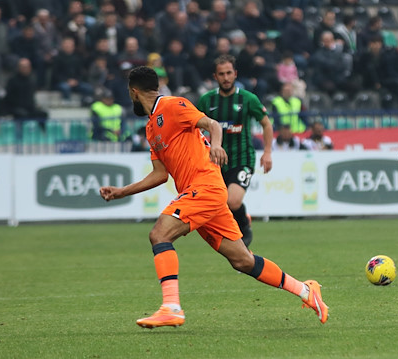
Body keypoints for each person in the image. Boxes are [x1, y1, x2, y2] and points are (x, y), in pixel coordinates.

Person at [98, 66, 328, 328]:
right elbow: (160, 174)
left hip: (205, 187)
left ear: (133, 91)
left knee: (159, 234)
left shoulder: (173, 105)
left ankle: (171, 307)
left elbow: (212, 124)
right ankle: (307, 291)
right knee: (243, 260)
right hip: (204, 194)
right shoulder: (152, 128)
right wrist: (121, 191)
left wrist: (216, 146)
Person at [196, 54, 273, 248]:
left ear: (235, 74)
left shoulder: (248, 99)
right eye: (221, 74)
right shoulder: (207, 100)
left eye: (229, 73)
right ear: (215, 76)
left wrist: (267, 152)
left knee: (233, 202)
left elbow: (266, 124)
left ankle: (244, 227)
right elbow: (194, 128)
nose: (226, 77)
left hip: (242, 158)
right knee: (218, 206)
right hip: (215, 161)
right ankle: (237, 231)